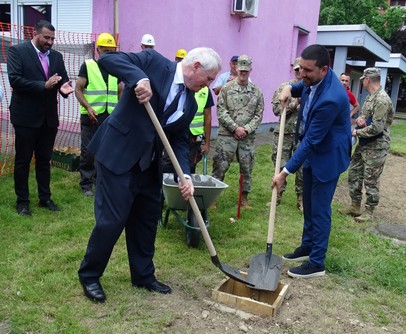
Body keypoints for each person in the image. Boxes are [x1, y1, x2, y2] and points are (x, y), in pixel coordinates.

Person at [77, 47, 221, 303]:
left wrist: (184, 175)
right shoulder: (154, 63)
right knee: (112, 220)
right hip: (118, 155)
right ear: (196, 66)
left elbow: (178, 137)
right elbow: (109, 59)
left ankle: (143, 275)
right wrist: (138, 78)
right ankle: (90, 275)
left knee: (146, 220)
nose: (207, 86)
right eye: (208, 79)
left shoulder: (189, 101)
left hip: (149, 166)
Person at [272, 44, 351, 278]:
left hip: (328, 155)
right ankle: (307, 246)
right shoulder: (312, 81)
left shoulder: (332, 99)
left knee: (320, 209)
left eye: (307, 70)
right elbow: (300, 86)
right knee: (308, 202)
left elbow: (311, 142)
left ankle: (317, 262)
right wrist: (288, 87)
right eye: (300, 69)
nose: (301, 74)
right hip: (315, 151)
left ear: (324, 70)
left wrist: (284, 173)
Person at [7, 20, 74, 216]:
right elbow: (15, 79)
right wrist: (43, 85)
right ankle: (23, 202)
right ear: (34, 34)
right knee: (23, 161)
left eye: (52, 38)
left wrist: (64, 88)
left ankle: (45, 198)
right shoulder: (17, 52)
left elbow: (61, 79)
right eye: (46, 37)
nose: (50, 42)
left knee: (44, 160)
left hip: (48, 119)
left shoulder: (57, 56)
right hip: (26, 118)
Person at [341, 67, 393, 223]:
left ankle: (369, 211)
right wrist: (360, 120)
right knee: (354, 173)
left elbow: (378, 128)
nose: (362, 81)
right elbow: (364, 116)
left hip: (376, 146)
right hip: (364, 144)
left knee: (371, 180)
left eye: (363, 79)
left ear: (368, 80)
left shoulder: (382, 99)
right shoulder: (371, 97)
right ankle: (355, 206)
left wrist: (356, 132)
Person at [211, 55, 264, 209]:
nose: (243, 73)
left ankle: (244, 199)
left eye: (246, 71)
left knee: (247, 168)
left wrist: (246, 129)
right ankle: (212, 197)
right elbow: (221, 111)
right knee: (220, 166)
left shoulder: (256, 92)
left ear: (250, 71)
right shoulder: (226, 89)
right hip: (227, 136)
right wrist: (235, 128)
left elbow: (258, 114)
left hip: (247, 138)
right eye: (241, 70)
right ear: (236, 68)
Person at [75, 33, 122, 197]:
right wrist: (88, 107)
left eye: (112, 50)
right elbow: (78, 89)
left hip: (110, 116)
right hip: (91, 115)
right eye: (106, 50)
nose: (109, 53)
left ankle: (100, 180)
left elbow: (120, 89)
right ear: (98, 50)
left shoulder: (116, 67)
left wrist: (121, 110)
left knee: (107, 150)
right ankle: (86, 184)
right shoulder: (88, 65)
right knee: (89, 151)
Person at [269, 57, 303, 211]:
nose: (299, 72)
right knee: (280, 165)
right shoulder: (284, 87)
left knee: (302, 167)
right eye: (296, 69)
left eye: (301, 69)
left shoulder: (311, 89)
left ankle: (301, 199)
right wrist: (294, 104)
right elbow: (277, 110)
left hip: (302, 134)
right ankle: (277, 196)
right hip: (285, 132)